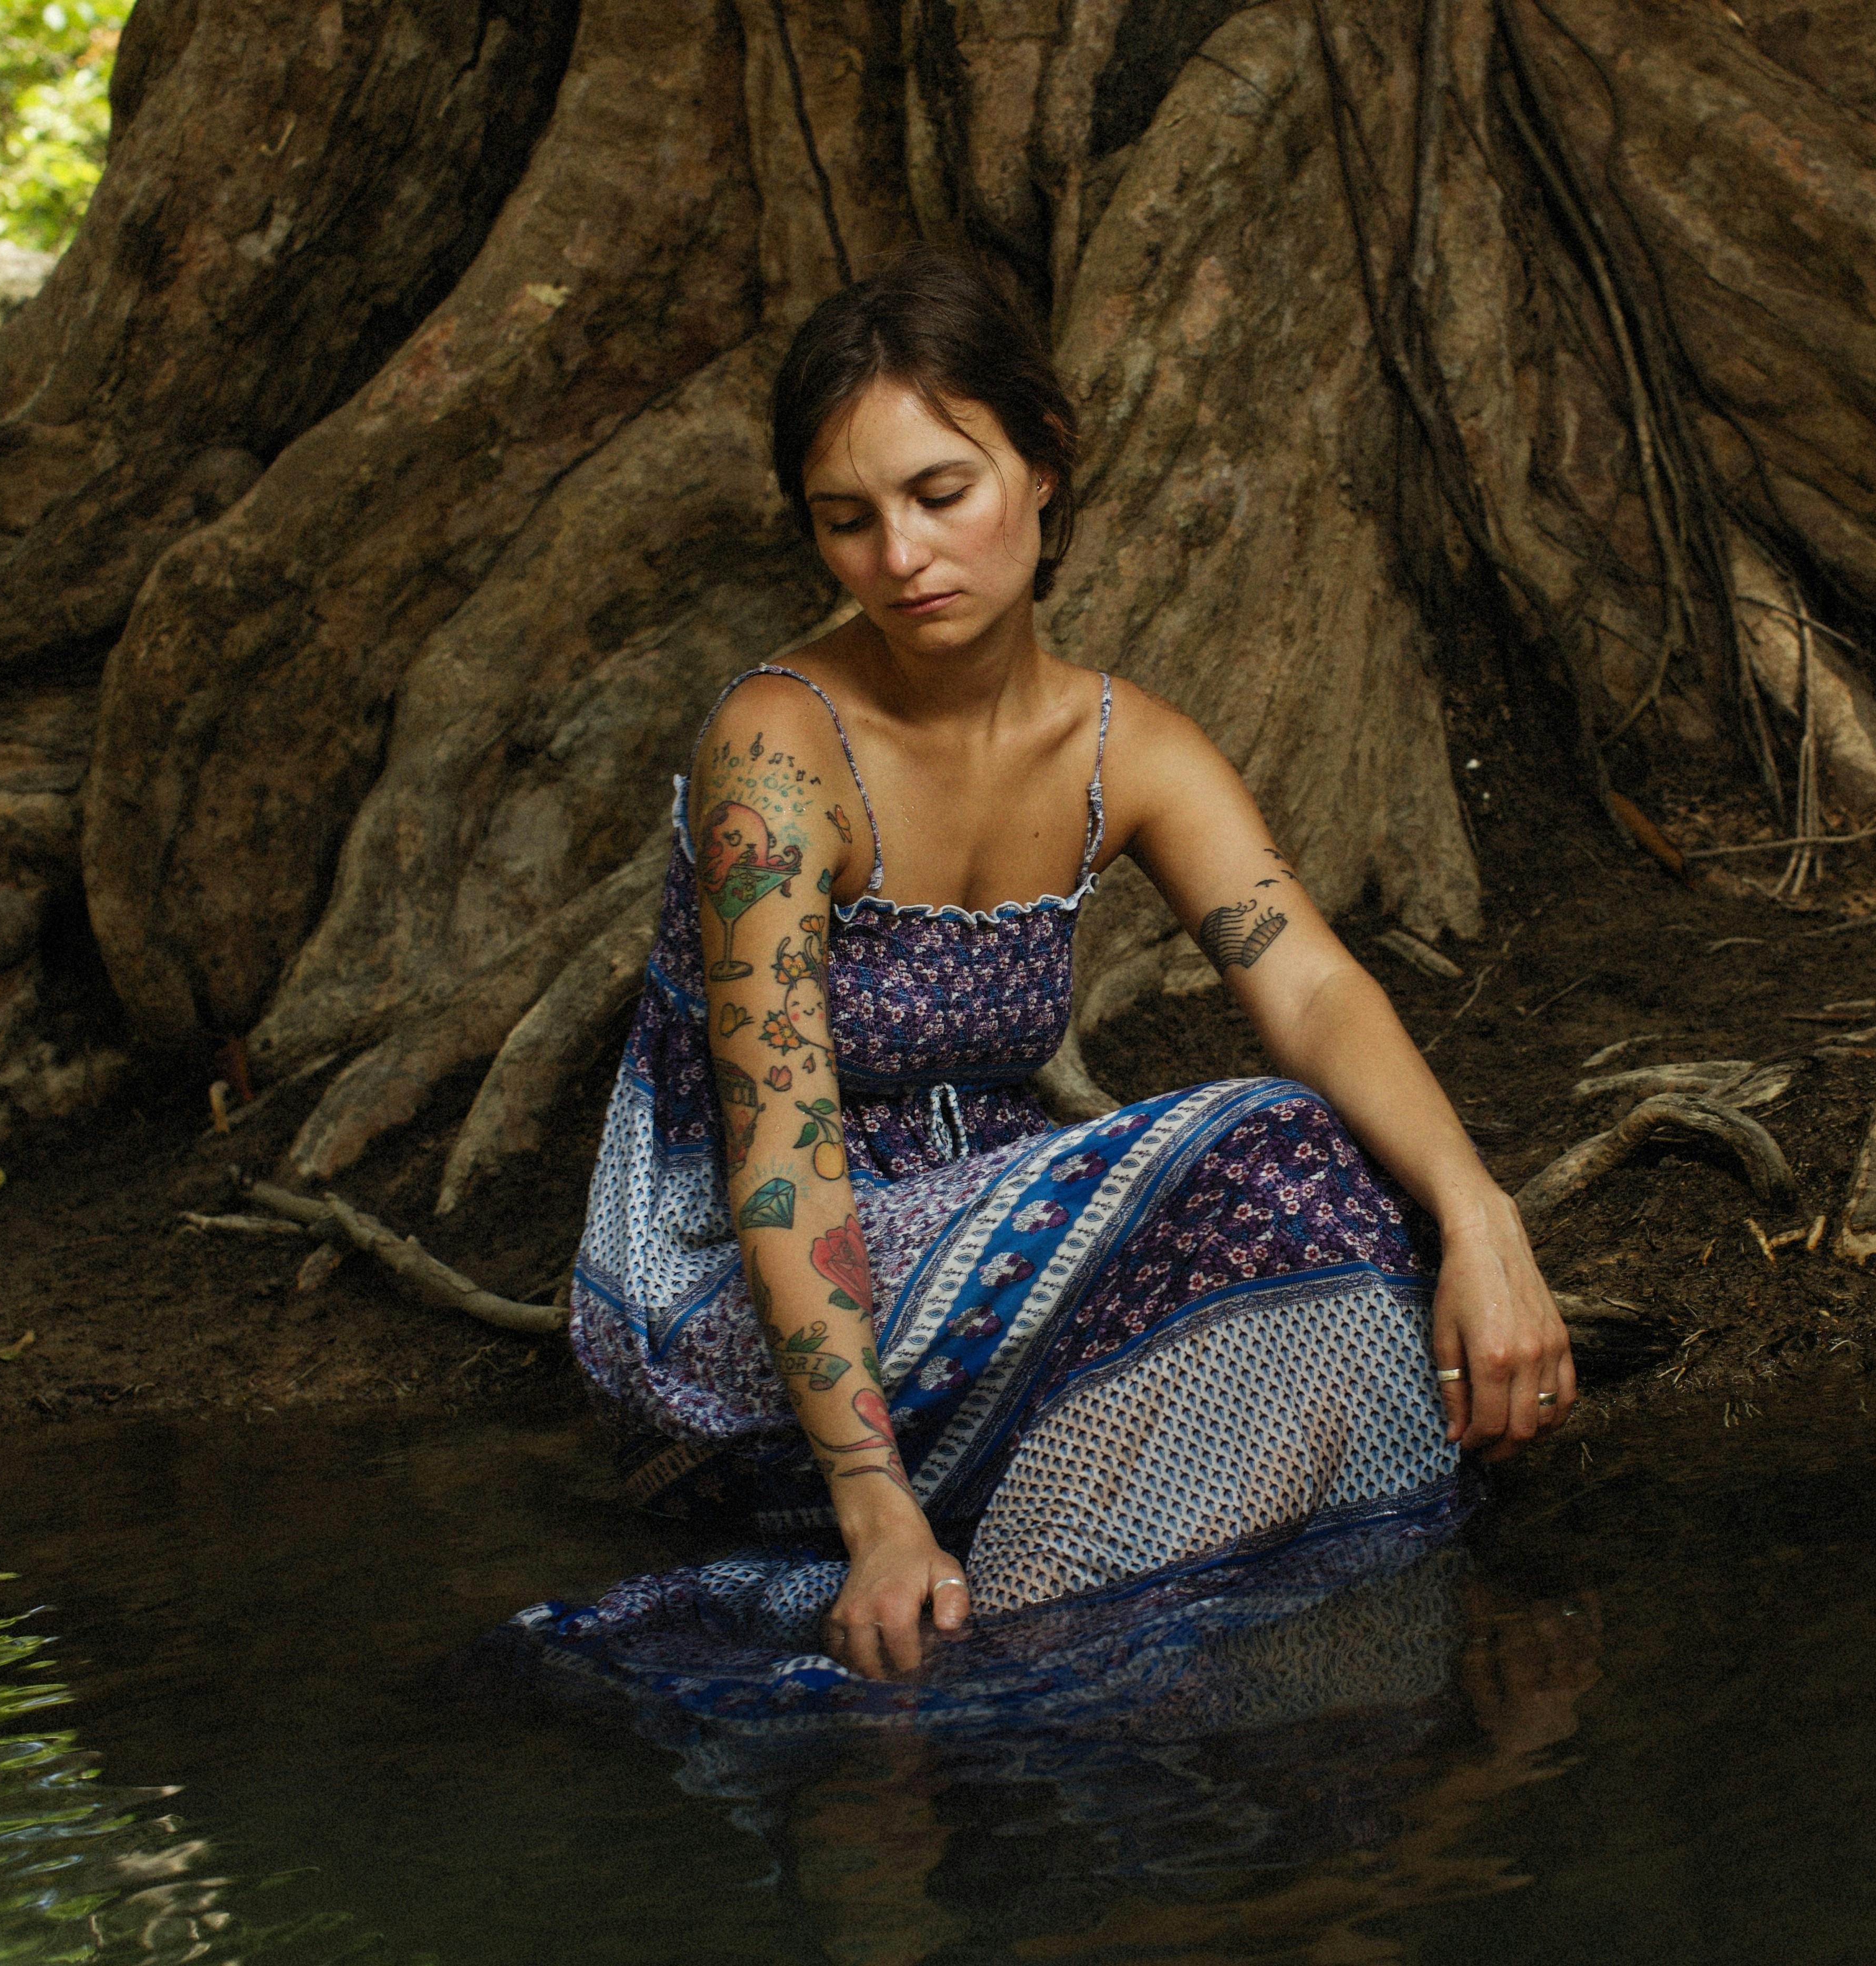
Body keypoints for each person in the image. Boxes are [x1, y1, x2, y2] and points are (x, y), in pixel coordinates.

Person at [553, 244, 1569, 1689]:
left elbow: (1315, 987)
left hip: (982, 1261)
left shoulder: (1125, 748)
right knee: (1269, 1148)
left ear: (1045, 468)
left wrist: (1480, 1216)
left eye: (939, 494)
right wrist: (874, 1507)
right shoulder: (780, 749)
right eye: (847, 521)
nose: (899, 558)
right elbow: (780, 1156)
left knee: (1368, 1221)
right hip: (731, 1325)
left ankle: (1191, 1666)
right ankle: (1018, 1660)